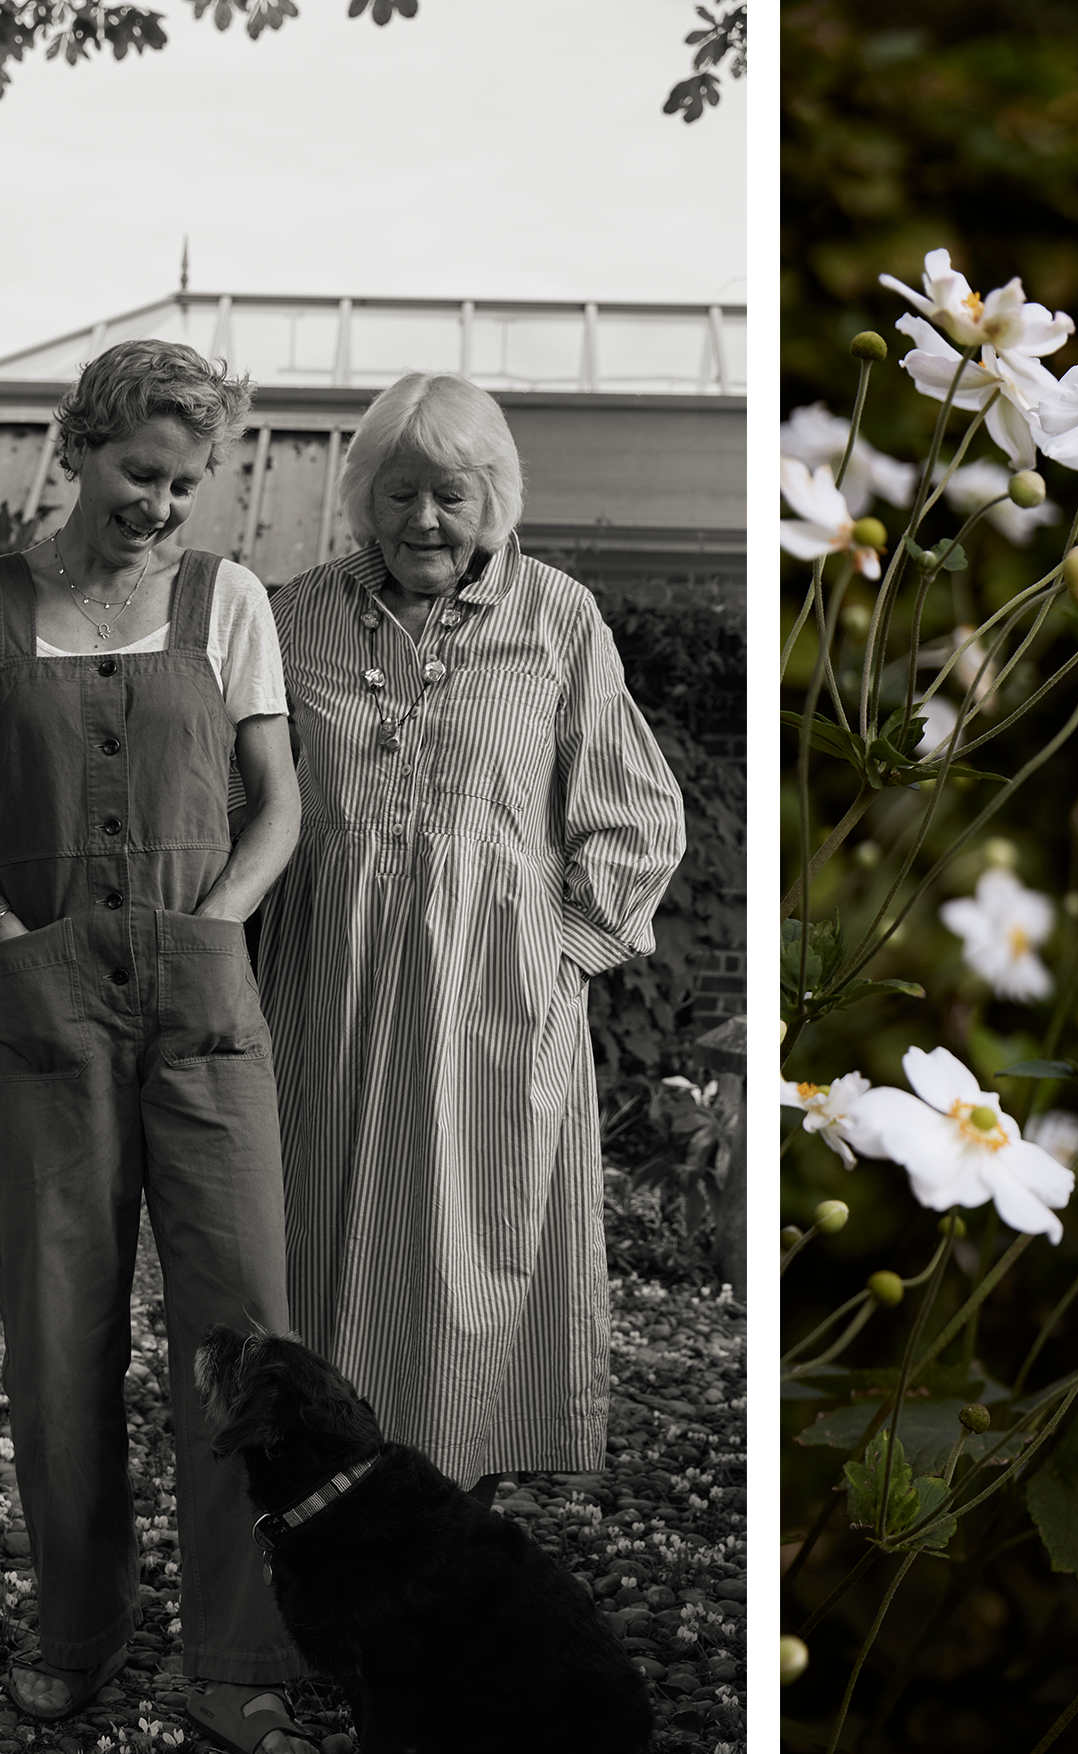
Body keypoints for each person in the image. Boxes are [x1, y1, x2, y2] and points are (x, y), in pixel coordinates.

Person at [0, 340, 311, 1754]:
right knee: (56, 1334)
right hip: (40, 1009)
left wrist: (218, 920)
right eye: (143, 473)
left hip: (207, 1008)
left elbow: (278, 804)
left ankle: (237, 1654)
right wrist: (0, 928)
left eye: (189, 484)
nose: (163, 506)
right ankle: (75, 1629)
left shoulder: (232, 601)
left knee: (240, 1331)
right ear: (81, 447)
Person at [255, 371, 685, 1507]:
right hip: (324, 979)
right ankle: (315, 1500)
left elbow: (636, 810)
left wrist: (563, 949)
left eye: (448, 494)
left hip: (490, 993)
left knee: (469, 1242)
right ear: (363, 495)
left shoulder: (556, 617)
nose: (421, 522)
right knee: (317, 1222)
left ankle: (450, 1513)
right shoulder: (288, 615)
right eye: (398, 494)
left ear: (490, 496)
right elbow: (233, 797)